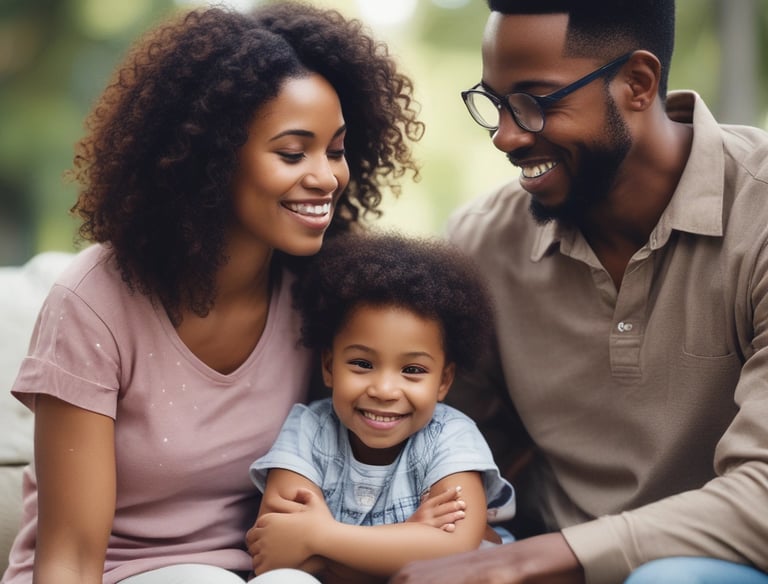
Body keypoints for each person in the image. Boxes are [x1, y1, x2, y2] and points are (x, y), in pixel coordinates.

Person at [1, 2, 424, 583]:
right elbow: (69, 559)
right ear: (212, 159)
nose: (326, 177)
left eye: (335, 149)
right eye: (293, 152)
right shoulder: (94, 303)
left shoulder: (322, 295)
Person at [390, 1, 768, 584]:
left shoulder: (759, 215)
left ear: (637, 84)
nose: (505, 137)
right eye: (494, 104)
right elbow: (441, 432)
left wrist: (532, 560)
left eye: (536, 104)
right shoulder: (483, 245)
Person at [247, 231, 516, 583]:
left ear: (444, 381)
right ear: (329, 367)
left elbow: (455, 551)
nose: (385, 390)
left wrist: (319, 538)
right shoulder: (309, 430)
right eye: (362, 363)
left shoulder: (451, 437)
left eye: (413, 370)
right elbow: (276, 552)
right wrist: (411, 539)